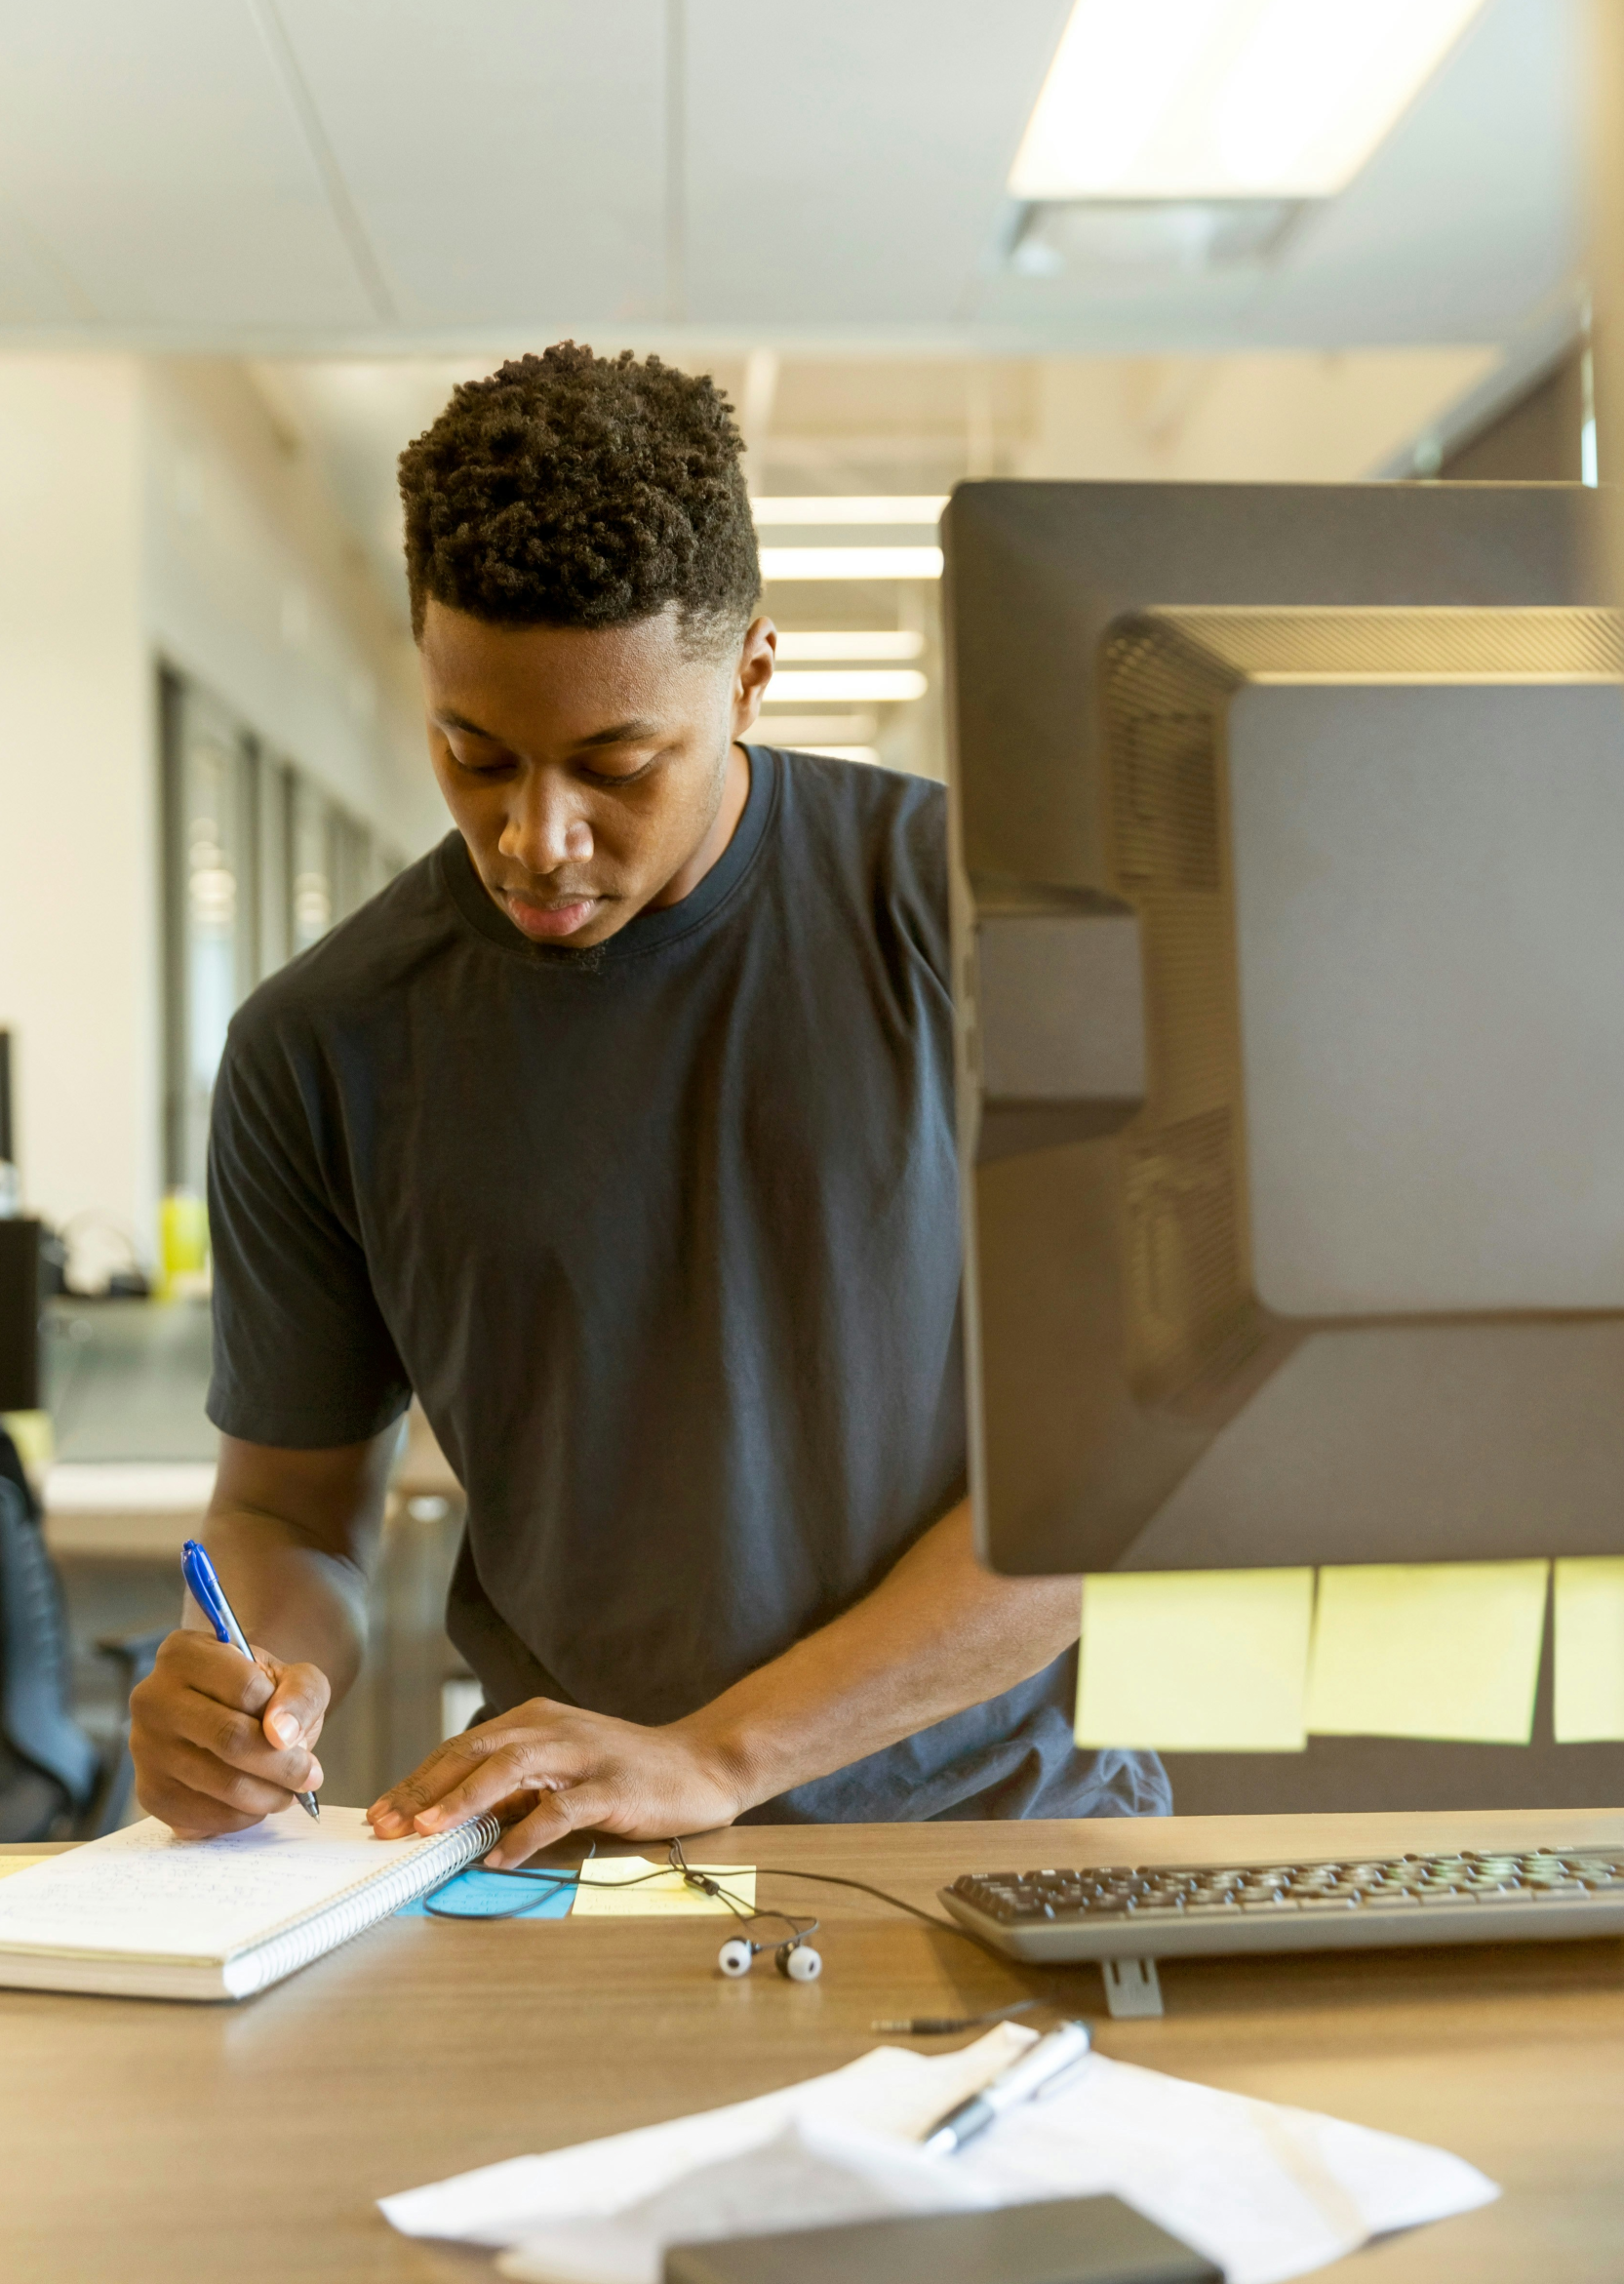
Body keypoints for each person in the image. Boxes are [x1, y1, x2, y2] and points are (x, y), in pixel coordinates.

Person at [130, 343, 1167, 1863]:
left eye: (615, 765)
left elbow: (1121, 1468)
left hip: (1003, 1834)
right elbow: (288, 1518)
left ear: (750, 670)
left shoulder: (982, 922)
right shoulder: (322, 1043)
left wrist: (726, 1751)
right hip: (580, 1856)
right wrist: (249, 1694)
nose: (535, 836)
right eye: (472, 755)